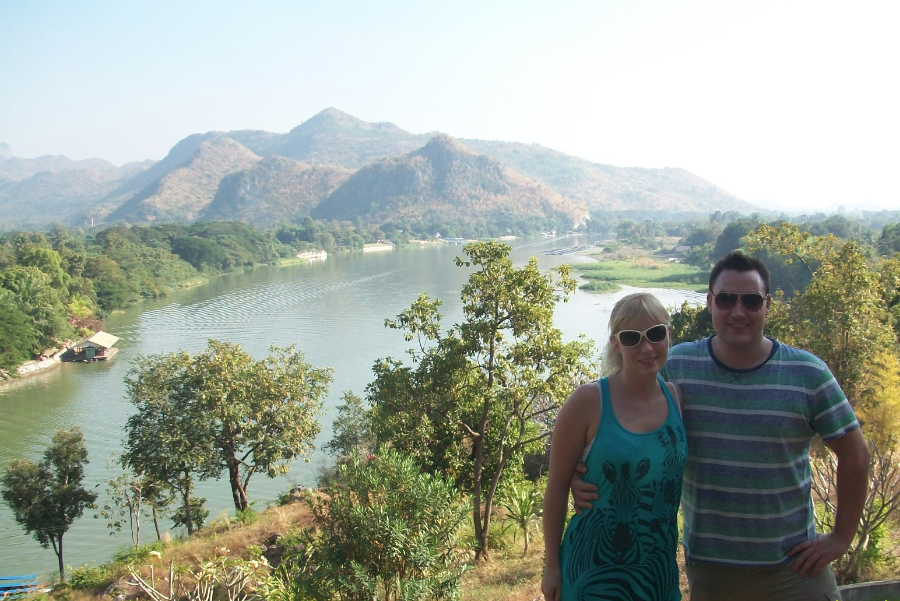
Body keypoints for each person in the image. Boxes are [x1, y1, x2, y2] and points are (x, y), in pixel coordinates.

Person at [571, 252, 871, 601]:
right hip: (712, 573)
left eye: (751, 301)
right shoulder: (676, 366)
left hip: (794, 570)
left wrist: (840, 538)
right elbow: (617, 416)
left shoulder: (808, 374)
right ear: (710, 303)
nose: (738, 311)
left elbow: (856, 454)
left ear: (767, 305)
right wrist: (584, 472)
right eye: (727, 299)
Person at [542, 292, 687, 601]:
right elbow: (555, 485)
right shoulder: (588, 402)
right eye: (632, 337)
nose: (646, 347)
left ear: (668, 335)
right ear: (616, 343)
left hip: (657, 575)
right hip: (593, 574)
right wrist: (551, 566)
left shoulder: (676, 398)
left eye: (656, 334)